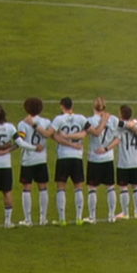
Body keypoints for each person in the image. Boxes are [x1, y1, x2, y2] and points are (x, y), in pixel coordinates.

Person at [45, 97, 91, 226]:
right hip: (77, 157)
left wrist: (65, 138)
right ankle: (79, 218)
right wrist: (74, 144)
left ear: (62, 106)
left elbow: (52, 135)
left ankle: (62, 219)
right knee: (79, 187)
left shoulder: (58, 119)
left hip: (63, 157)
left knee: (61, 187)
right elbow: (85, 134)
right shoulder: (81, 118)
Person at [15, 97, 52, 226]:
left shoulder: (23, 123)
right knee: (43, 188)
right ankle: (43, 218)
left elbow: (21, 142)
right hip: (42, 160)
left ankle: (28, 219)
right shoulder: (46, 122)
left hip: (28, 160)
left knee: (27, 189)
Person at [85, 97, 117, 224]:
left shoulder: (90, 120)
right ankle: (112, 215)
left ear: (94, 107)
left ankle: (92, 217)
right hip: (108, 158)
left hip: (94, 158)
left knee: (92, 188)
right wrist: (107, 148)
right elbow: (118, 138)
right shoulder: (113, 120)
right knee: (111, 187)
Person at [114, 104, 137, 220]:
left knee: (124, 187)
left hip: (123, 162)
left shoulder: (119, 127)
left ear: (121, 115)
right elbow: (135, 124)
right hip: (135, 161)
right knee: (136, 186)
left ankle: (125, 213)